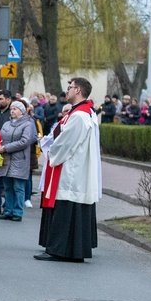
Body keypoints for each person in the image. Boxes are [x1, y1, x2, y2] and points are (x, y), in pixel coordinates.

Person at [36, 77, 101, 263]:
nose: (67, 91)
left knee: (67, 206)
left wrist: (51, 151)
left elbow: (66, 143)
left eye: (70, 87)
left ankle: (59, 250)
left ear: (78, 90)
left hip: (72, 169)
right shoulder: (83, 112)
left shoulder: (80, 115)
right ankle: (70, 251)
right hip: (75, 166)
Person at [0, 101, 35, 222]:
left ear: (22, 111)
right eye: (11, 109)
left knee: (18, 187)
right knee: (7, 187)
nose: (12, 111)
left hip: (19, 160)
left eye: (15, 109)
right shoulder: (6, 124)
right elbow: (0, 137)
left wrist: (6, 148)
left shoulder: (27, 124)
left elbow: (25, 141)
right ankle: (8, 210)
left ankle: (17, 212)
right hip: (5, 159)